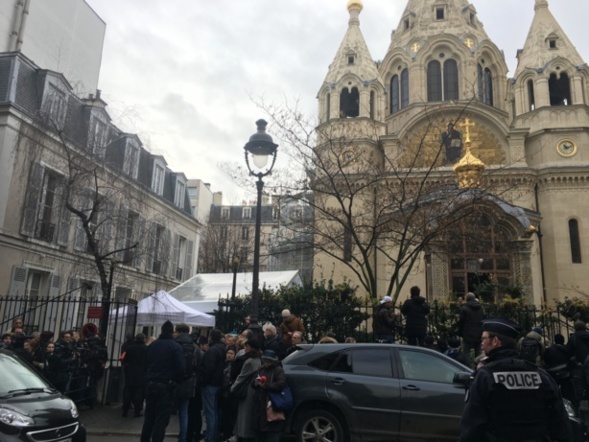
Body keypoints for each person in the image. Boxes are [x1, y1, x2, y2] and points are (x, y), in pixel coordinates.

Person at [460, 318, 571, 442]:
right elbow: (560, 421)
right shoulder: (541, 375)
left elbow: (472, 424)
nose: (481, 344)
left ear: (495, 341)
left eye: (484, 339)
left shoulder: (485, 376)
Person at [140, 320, 185, 442]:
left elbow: (144, 364)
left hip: (150, 383)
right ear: (172, 332)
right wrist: (175, 380)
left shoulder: (152, 346)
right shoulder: (175, 347)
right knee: (161, 418)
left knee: (149, 417)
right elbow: (181, 368)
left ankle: (144, 439)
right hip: (165, 385)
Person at [174, 324, 202, 442]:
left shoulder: (174, 345)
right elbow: (199, 364)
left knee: (166, 410)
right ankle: (183, 437)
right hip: (189, 382)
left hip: (173, 382)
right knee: (184, 412)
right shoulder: (195, 347)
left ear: (179, 332)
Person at [252, 350, 287, 442]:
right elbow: (252, 383)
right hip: (259, 406)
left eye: (268, 361)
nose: (266, 363)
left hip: (271, 405)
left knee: (272, 434)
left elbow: (281, 384)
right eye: (265, 360)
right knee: (259, 434)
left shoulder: (278, 370)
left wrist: (266, 385)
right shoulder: (261, 369)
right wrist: (255, 383)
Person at [231, 338, 261, 442]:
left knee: (244, 414)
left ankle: (243, 435)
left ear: (252, 348)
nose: (245, 348)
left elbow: (242, 376)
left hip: (247, 390)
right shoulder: (258, 359)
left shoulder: (249, 361)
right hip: (253, 389)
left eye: (247, 346)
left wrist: (233, 387)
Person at [201, 329, 226, 442]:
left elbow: (208, 369)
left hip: (210, 384)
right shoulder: (222, 349)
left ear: (211, 337)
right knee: (214, 411)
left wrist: (202, 381)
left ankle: (209, 438)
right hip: (218, 383)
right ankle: (213, 436)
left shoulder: (212, 350)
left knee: (209, 412)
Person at [122, 333, 148, 418]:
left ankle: (125, 411)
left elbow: (124, 360)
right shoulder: (146, 349)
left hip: (130, 373)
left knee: (128, 394)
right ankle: (137, 411)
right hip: (141, 374)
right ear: (143, 339)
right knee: (138, 394)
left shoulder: (130, 348)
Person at [455, 292, 485, 365]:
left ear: (467, 299)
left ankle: (468, 369)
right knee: (478, 352)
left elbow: (461, 322)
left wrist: (459, 332)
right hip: (478, 333)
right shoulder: (480, 308)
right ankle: (478, 368)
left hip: (467, 334)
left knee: (466, 353)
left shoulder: (464, 309)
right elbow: (483, 320)